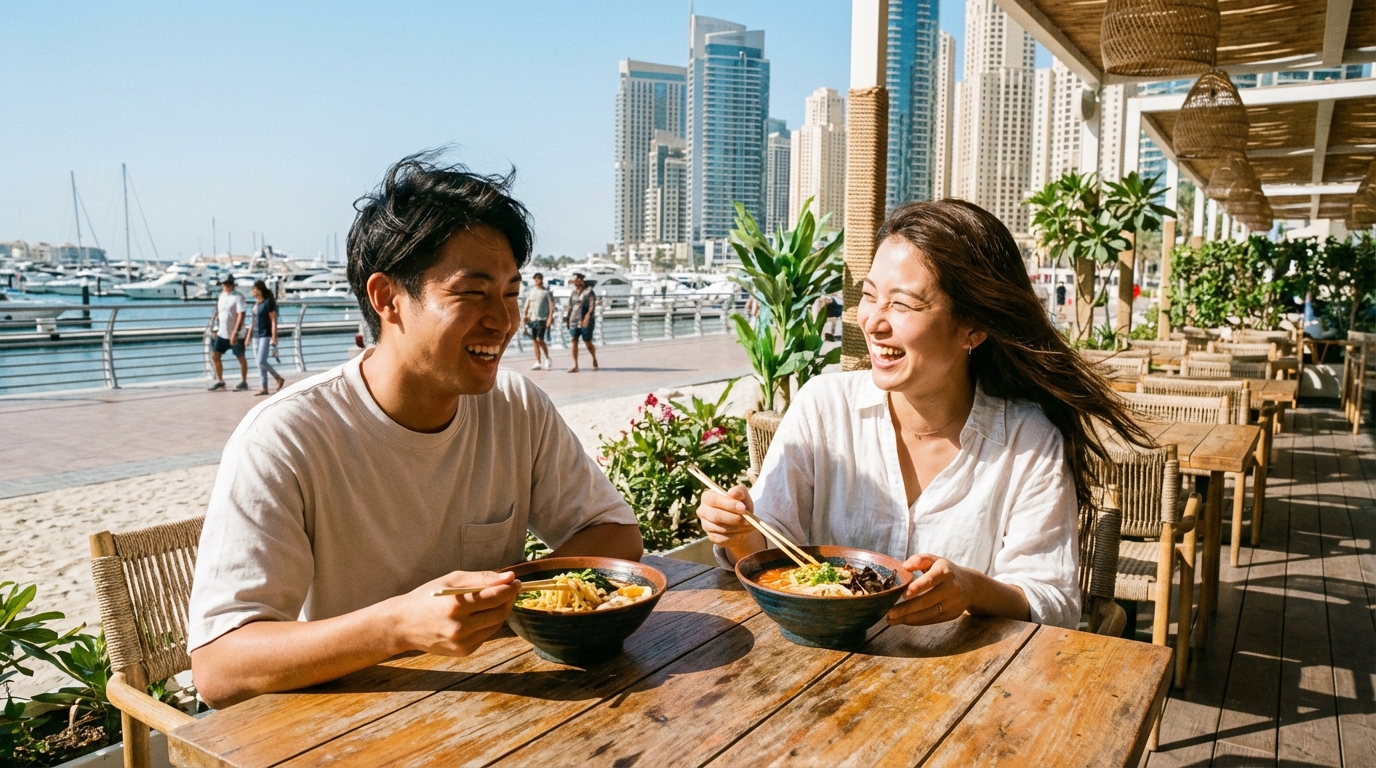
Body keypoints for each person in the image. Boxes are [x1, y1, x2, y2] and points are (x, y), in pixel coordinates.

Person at [187, 154, 643, 708]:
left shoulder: (515, 406)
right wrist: (399, 626)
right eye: (472, 292)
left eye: (509, 291)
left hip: (495, 705)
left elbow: (615, 532)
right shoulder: (286, 438)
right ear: (386, 299)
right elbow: (219, 667)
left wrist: (505, 591)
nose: (503, 319)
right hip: (340, 723)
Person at [698, 199, 1146, 631]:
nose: (873, 321)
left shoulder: (1027, 439)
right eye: (870, 296)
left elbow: (1053, 601)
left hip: (962, 684)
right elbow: (768, 544)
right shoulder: (823, 407)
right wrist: (736, 531)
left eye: (904, 304)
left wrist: (972, 590)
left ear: (972, 327)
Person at [209, 277, 249, 391]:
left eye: (227, 284)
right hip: (222, 332)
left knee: (240, 357)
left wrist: (235, 332)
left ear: (232, 285)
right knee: (215, 355)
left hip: (235, 334)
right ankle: (220, 381)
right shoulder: (221, 296)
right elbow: (219, 314)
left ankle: (244, 381)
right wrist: (215, 329)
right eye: (223, 284)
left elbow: (241, 315)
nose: (225, 286)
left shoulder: (238, 297)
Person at [249, 280, 286, 396]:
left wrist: (274, 337)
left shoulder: (268, 302)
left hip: (265, 334)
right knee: (259, 363)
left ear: (260, 290)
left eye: (254, 289)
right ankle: (263, 387)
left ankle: (278, 377)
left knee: (261, 360)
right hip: (255, 335)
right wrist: (247, 337)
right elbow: (252, 322)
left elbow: (273, 321)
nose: (252, 291)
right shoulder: (256, 304)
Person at [565, 272, 599, 372]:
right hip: (574, 320)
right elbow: (570, 307)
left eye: (576, 279)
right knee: (574, 340)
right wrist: (567, 318)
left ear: (581, 280)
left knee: (587, 342)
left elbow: (592, 306)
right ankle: (575, 365)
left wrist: (587, 317)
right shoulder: (573, 293)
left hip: (586, 321)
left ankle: (594, 357)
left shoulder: (589, 292)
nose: (574, 281)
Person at [522, 272, 554, 371]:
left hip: (542, 319)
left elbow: (551, 306)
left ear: (541, 280)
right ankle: (538, 361)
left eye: (538, 279)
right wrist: (525, 315)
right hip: (532, 319)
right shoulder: (531, 292)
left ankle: (548, 358)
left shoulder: (546, 292)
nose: (537, 282)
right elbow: (527, 304)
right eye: (535, 280)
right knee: (534, 341)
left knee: (540, 339)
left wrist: (550, 318)